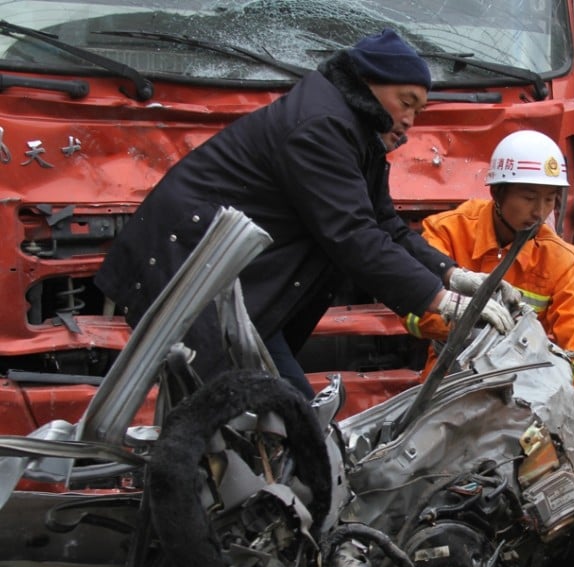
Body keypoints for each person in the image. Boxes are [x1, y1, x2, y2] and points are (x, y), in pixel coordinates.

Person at [95, 29, 512, 398]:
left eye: (418, 111)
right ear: (367, 84)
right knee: (276, 415)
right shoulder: (321, 128)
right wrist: (439, 301)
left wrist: (454, 276)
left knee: (266, 412)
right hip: (190, 273)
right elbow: (352, 235)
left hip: (233, 288)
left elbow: (384, 224)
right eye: (406, 103)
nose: (409, 121)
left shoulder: (355, 132)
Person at [402, 130, 574, 459]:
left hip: (528, 402)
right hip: (450, 389)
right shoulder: (446, 233)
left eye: (550, 199)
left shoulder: (560, 260)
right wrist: (467, 321)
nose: (540, 211)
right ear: (498, 193)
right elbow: (415, 314)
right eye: (529, 198)